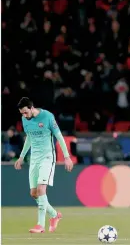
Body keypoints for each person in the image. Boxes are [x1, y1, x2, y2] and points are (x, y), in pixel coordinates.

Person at [14, 97, 74, 233]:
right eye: (22, 113)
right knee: (34, 193)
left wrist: (67, 157)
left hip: (47, 157)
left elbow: (59, 136)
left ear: (31, 108)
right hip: (34, 158)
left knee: (41, 190)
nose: (24, 116)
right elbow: (29, 137)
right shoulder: (25, 120)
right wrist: (22, 156)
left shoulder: (47, 116)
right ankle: (54, 215)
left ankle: (40, 225)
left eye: (25, 112)